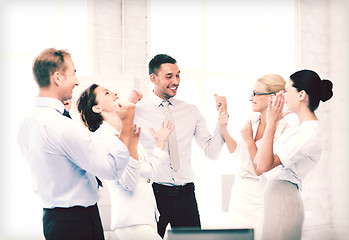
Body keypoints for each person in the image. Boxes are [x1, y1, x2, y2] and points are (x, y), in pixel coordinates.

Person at [17, 48, 136, 240]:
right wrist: (128, 123)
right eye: (73, 73)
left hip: (52, 221)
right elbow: (112, 170)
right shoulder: (61, 126)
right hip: (78, 223)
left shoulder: (25, 121)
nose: (77, 81)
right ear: (57, 77)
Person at [134, 54, 226, 238]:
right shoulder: (137, 110)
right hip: (153, 194)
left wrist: (222, 119)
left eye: (178, 75)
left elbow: (212, 152)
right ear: (153, 78)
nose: (175, 81)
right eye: (169, 76)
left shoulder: (190, 110)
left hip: (186, 195)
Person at [77, 83, 176, 240]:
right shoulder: (101, 138)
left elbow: (149, 174)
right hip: (131, 222)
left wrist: (160, 143)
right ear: (97, 108)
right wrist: (131, 146)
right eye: (106, 93)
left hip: (148, 218)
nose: (114, 92)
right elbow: (128, 183)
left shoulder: (128, 132)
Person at [253, 70, 333, 240]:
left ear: (301, 94)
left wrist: (271, 124)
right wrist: (271, 122)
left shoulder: (309, 133)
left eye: (287, 90)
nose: (283, 95)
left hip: (283, 201)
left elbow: (264, 165)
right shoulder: (298, 129)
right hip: (277, 199)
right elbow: (258, 161)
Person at [218, 74, 288, 240]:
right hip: (240, 192)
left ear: (272, 97)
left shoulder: (285, 130)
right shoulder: (252, 120)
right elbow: (237, 153)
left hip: (262, 196)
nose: (251, 98)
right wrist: (223, 129)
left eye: (255, 93)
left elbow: (261, 169)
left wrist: (250, 141)